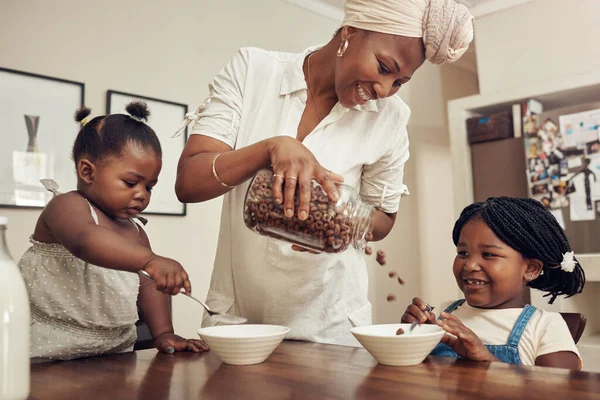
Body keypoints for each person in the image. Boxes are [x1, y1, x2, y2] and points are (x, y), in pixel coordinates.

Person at [175, 0, 474, 345]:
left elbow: (383, 218)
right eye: (382, 66)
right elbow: (189, 181)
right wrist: (270, 148)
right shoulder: (253, 71)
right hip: (236, 322)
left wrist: (340, 222)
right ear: (348, 33)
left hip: (330, 328)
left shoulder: (390, 118)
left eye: (398, 82)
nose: (383, 89)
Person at [19, 101, 208, 361]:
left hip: (114, 354)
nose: (142, 194)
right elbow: (85, 241)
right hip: (46, 352)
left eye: (150, 187)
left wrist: (163, 333)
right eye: (131, 183)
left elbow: (147, 283)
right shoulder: (66, 206)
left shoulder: (136, 231)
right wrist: (151, 260)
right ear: (87, 171)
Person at [402, 197, 585, 369]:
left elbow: (562, 392)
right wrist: (412, 335)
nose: (470, 265)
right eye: (463, 253)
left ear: (531, 269)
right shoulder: (443, 314)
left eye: (488, 254)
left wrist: (488, 360)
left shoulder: (545, 327)